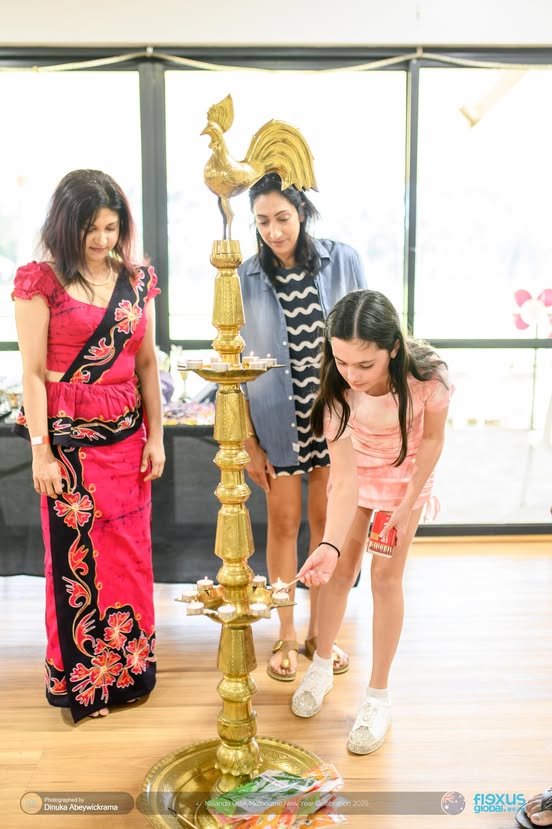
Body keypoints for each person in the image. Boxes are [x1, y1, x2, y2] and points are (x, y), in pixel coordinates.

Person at [12, 169, 165, 722]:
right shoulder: (40, 282)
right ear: (65, 227)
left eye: (111, 227)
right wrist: (40, 450)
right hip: (70, 446)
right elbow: (32, 373)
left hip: (127, 440)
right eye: (90, 229)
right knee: (77, 564)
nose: (102, 240)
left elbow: (146, 363)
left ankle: (128, 674)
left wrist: (158, 437)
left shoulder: (138, 281)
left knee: (129, 557)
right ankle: (85, 685)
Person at [291, 288, 452, 754]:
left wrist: (403, 510)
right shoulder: (337, 393)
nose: (352, 375)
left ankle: (377, 696)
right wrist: (329, 543)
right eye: (342, 362)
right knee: (339, 571)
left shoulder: (429, 377)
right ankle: (321, 667)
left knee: (385, 578)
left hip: (408, 479)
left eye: (365, 364)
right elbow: (343, 481)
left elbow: (433, 444)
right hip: (359, 475)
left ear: (394, 349)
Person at [238, 172, 367, 681]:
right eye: (263, 222)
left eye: (283, 218)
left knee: (325, 525)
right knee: (284, 523)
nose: (274, 231)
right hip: (277, 420)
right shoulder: (244, 276)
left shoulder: (344, 260)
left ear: (303, 214)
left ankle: (322, 634)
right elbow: (235, 364)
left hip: (336, 419)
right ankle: (286, 634)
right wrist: (248, 442)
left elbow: (369, 334)